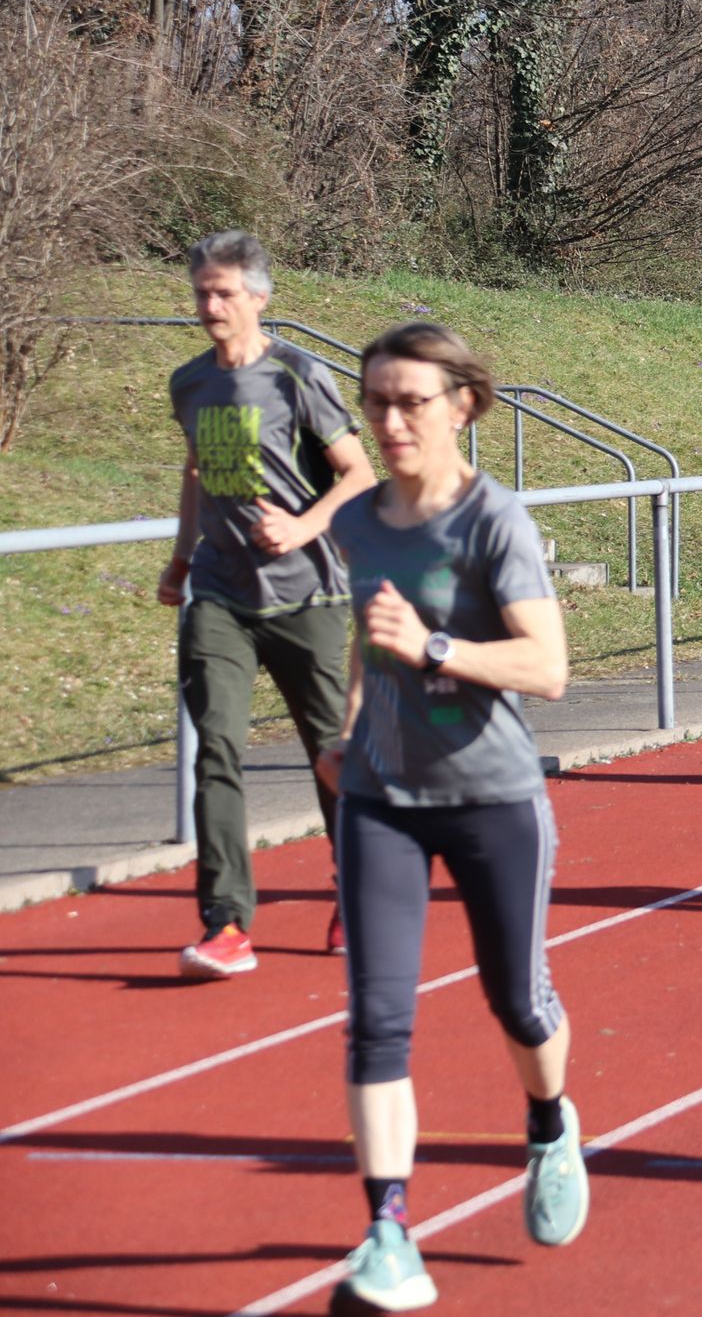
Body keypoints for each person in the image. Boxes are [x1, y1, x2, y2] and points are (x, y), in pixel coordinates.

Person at [315, 322, 586, 1311]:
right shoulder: (359, 521)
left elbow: (547, 668)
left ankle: (549, 1123)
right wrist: (349, 731)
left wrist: (435, 648)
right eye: (376, 402)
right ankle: (388, 1234)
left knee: (517, 1002)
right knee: (377, 1022)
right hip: (381, 801)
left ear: (462, 405)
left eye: (410, 402)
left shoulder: (493, 520)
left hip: (491, 798)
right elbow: (365, 636)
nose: (390, 421)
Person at [159, 229, 374, 977]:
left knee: (331, 756)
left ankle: (356, 893)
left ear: (258, 296)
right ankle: (226, 923)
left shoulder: (297, 374)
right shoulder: (190, 383)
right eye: (201, 293)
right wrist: (181, 560)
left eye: (223, 293)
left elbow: (358, 475)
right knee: (215, 749)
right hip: (220, 595)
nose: (210, 306)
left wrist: (303, 526)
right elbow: (195, 472)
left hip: (307, 595)